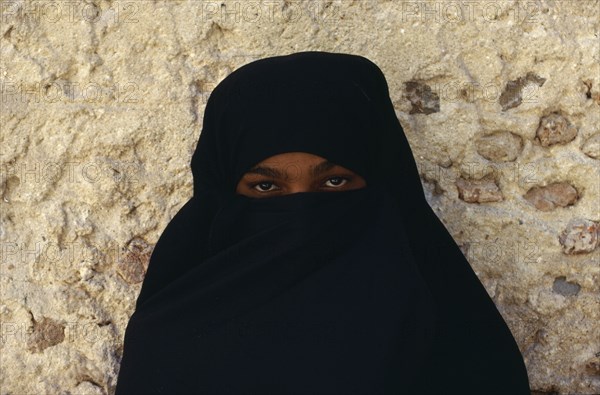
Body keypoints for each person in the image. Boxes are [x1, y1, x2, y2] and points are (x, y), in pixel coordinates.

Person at [115, 51, 530, 394]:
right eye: (265, 188)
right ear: (224, 194)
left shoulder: (450, 334)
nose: (302, 215)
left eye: (334, 181)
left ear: (380, 180)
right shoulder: (171, 339)